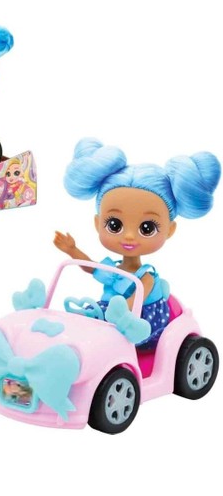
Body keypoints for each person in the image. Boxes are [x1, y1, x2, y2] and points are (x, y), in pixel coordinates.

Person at [54, 137, 221, 348]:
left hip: (140, 321)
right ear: (97, 223)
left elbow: (135, 300)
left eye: (146, 228)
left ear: (169, 230)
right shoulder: (113, 270)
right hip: (111, 315)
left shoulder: (146, 276)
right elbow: (91, 268)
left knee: (112, 333)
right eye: (114, 225)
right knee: (87, 324)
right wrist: (72, 249)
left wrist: (122, 312)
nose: (130, 236)